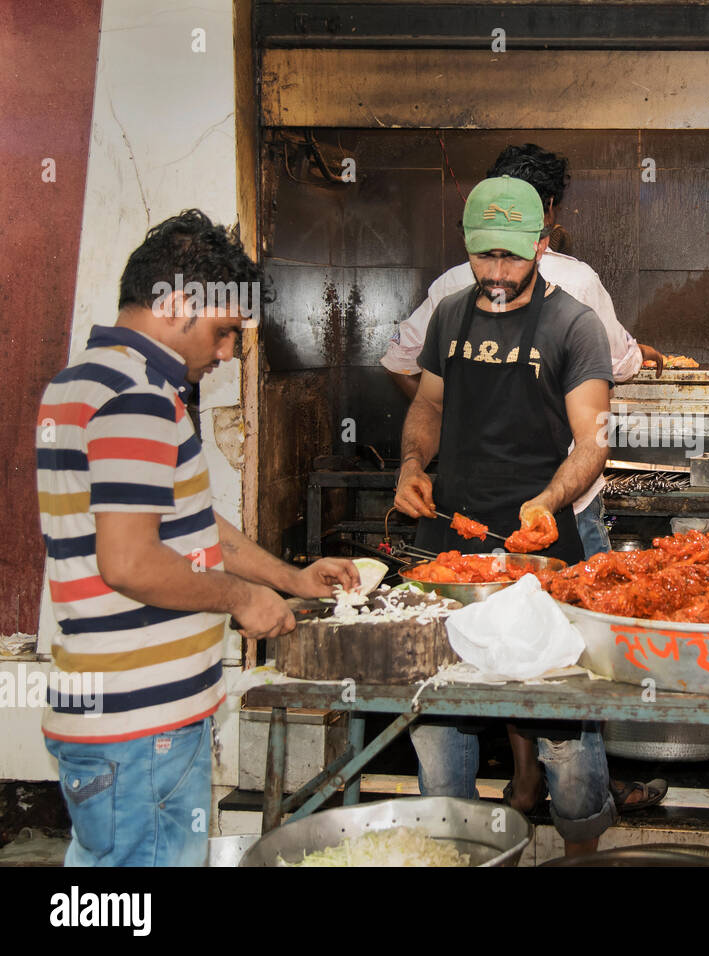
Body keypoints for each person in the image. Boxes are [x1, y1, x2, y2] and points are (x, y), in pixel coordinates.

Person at [36, 210, 360, 866]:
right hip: (141, 728)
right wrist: (240, 599)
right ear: (180, 303)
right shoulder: (140, 398)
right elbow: (129, 560)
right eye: (223, 331)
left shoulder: (83, 383)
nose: (227, 353)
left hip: (113, 721)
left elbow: (186, 524)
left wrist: (289, 579)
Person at [384, 144, 667, 814]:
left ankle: (581, 844)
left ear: (542, 244)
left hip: (544, 540)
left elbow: (592, 443)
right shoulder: (450, 313)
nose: (497, 271)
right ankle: (451, 843)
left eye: (511, 255)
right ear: (468, 247)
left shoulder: (573, 323)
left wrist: (546, 500)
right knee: (440, 712)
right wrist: (411, 465)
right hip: (449, 537)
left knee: (562, 718)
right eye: (485, 255)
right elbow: (427, 404)